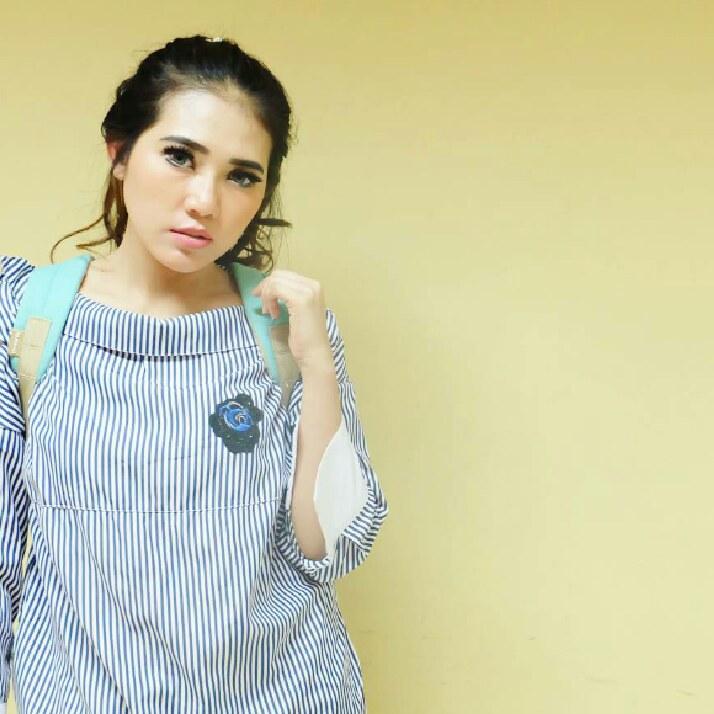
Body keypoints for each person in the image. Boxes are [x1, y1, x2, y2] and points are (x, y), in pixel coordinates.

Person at [0, 34, 389, 713]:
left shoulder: (285, 327)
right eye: (180, 156)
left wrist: (317, 363)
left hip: (284, 694)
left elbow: (332, 546)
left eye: (242, 175)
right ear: (119, 153)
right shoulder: (26, 315)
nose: (205, 201)